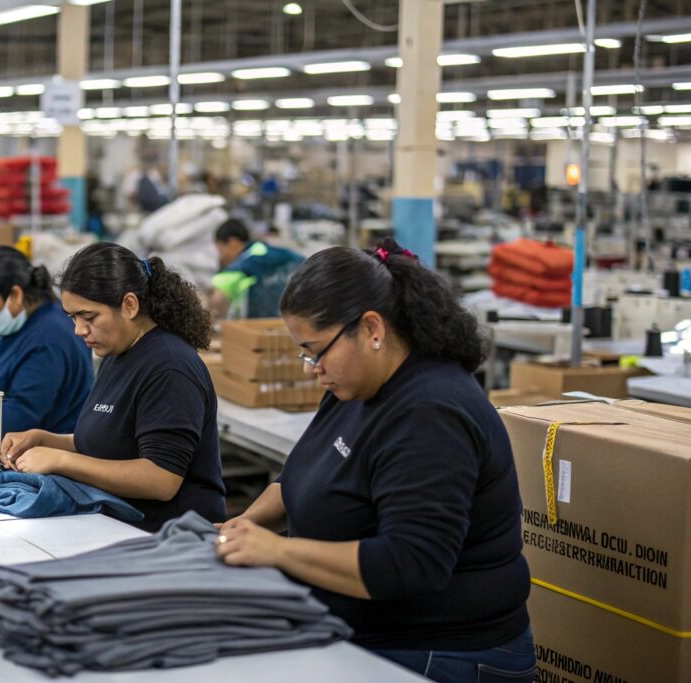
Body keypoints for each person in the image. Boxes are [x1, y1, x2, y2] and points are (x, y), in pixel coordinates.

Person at [215, 239, 534, 683]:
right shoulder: (354, 386)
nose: (310, 367)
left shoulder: (430, 412)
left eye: (317, 350)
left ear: (372, 329)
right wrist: (242, 526)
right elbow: (300, 478)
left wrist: (278, 551)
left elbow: (412, 563)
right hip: (369, 630)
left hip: (441, 650)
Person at [0, 243, 226, 532]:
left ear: (129, 305)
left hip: (168, 535)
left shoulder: (169, 367)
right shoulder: (118, 353)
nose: (79, 330)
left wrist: (61, 460)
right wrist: (44, 439)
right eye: (73, 318)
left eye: (89, 317)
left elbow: (161, 479)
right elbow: (113, 440)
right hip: (118, 523)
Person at [0, 246, 93, 434]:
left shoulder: (49, 338)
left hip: (48, 442)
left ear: (16, 294)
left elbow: (22, 414)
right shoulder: (3, 325)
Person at [210, 219, 304, 319]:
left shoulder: (245, 263)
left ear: (233, 242)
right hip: (297, 320)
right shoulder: (282, 253)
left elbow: (218, 298)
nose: (220, 256)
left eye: (220, 249)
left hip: (261, 325)